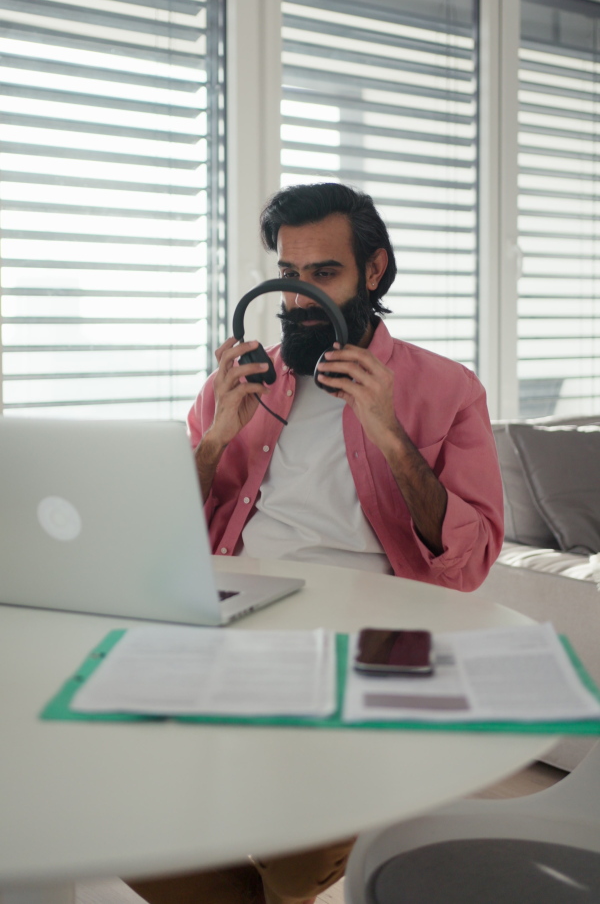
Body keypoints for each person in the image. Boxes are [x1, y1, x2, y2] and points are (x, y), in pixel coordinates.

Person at [129, 182, 503, 904]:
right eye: (288, 276)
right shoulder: (240, 383)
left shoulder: (448, 390)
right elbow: (158, 538)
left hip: (368, 637)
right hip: (237, 619)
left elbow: (473, 558)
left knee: (296, 863)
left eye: (322, 275)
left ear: (374, 270)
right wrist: (214, 438)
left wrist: (390, 432)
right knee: (117, 810)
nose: (299, 299)